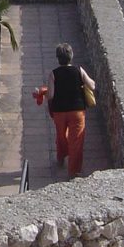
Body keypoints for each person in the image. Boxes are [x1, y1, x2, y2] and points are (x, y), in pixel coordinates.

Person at [47, 43, 95, 179]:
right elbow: (92, 85)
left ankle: (61, 156)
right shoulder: (79, 70)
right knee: (77, 141)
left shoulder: (53, 74)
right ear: (71, 56)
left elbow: (50, 96)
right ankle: (74, 172)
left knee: (61, 136)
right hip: (77, 111)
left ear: (58, 58)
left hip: (59, 112)